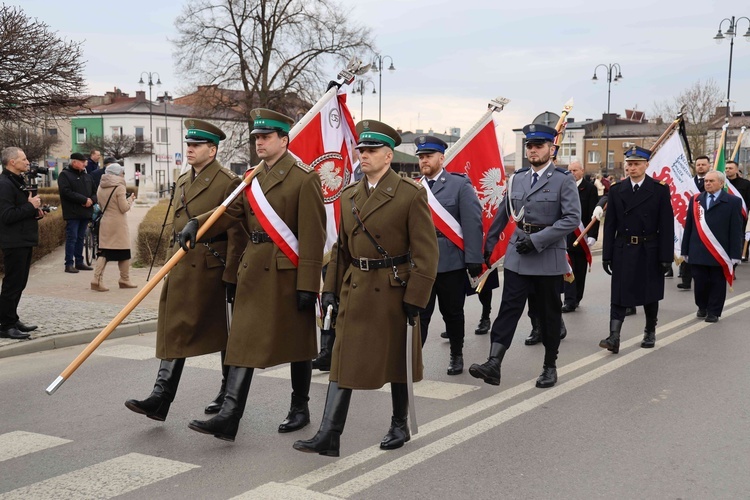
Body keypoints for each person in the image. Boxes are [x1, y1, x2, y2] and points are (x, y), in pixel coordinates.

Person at [293, 119, 438, 457]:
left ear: (388, 156)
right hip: (355, 287)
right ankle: (329, 433)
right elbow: (341, 249)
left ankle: (399, 423)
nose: (364, 155)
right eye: (362, 150)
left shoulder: (410, 194)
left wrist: (416, 298)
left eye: (371, 150)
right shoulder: (349, 195)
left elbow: (426, 254)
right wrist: (329, 289)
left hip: (392, 290)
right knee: (342, 359)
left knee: (396, 360)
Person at [183, 109, 326, 442]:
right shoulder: (251, 177)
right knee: (242, 342)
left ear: (283, 140)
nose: (259, 143)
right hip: (253, 269)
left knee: (298, 345)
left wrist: (309, 283)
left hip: (285, 272)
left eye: (266, 137)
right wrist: (198, 224)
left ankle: (300, 407)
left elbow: (313, 235)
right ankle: (230, 416)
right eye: (256, 138)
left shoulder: (304, 178)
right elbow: (230, 212)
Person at [124, 119, 242, 425]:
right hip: (181, 264)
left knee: (223, 334)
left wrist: (231, 273)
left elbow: (237, 230)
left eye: (196, 145)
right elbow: (176, 225)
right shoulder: (183, 179)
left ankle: (227, 394)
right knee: (174, 327)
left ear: (212, 150)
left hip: (210, 266)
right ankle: (160, 397)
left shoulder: (227, 181)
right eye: (188, 144)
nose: (189, 149)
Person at [468, 124, 580, 389]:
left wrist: (538, 240)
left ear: (551, 149)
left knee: (548, 314)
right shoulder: (517, 178)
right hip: (519, 252)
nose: (533, 150)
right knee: (508, 309)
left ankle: (550, 366)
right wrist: (490, 242)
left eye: (539, 146)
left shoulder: (563, 180)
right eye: (529, 146)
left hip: (547, 254)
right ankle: (494, 363)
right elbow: (505, 212)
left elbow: (572, 219)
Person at [414, 134, 483, 376]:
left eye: (429, 156)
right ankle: (414, 360)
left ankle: (456, 353)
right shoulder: (413, 187)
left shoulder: (459, 185)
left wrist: (474, 257)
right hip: (421, 261)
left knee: (452, 312)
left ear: (441, 158)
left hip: (450, 260)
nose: (424, 161)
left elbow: (472, 222)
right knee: (419, 313)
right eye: (421, 157)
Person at [599, 146, 674, 353]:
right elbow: (610, 225)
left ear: (646, 165)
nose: (632, 168)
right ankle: (614, 336)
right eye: (629, 164)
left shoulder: (659, 189)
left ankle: (650, 330)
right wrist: (607, 255)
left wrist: (666, 256)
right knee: (619, 293)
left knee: (650, 293)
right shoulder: (616, 190)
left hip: (649, 248)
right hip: (623, 248)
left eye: (636, 164)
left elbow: (666, 225)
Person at [681, 170, 743, 323]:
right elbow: (688, 226)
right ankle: (702, 306)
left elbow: (736, 230)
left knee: (717, 282)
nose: (707, 183)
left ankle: (714, 311)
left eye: (711, 181)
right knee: (700, 282)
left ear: (721, 183)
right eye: (706, 181)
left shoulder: (733, 201)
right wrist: (685, 250)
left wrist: (735, 254)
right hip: (698, 249)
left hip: (719, 252)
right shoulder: (695, 200)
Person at [0, 147, 44, 340]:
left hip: (23, 239)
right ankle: (5, 325)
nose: (27, 162)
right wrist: (30, 206)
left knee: (19, 283)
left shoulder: (17, 181)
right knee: (12, 284)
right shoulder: (4, 184)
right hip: (13, 241)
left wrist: (35, 211)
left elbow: (21, 210)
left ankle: (12, 318)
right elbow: (7, 216)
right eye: (24, 159)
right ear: (12, 162)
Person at [90, 162, 137, 291]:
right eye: (122, 172)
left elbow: (100, 203)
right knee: (124, 250)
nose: (123, 174)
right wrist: (130, 200)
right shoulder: (119, 187)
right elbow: (123, 208)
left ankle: (96, 279)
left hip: (105, 221)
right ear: (118, 174)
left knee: (105, 250)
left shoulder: (101, 185)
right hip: (118, 223)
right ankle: (124, 279)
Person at [562, 159, 599, 312]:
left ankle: (577, 297)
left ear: (582, 171)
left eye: (575, 170)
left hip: (582, 236)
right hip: (566, 236)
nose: (572, 173)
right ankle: (569, 300)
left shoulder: (589, 189)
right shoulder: (564, 187)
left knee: (580, 270)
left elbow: (594, 214)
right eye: (569, 171)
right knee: (568, 267)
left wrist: (592, 235)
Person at [57, 152, 97, 273]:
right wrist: (84, 200)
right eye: (82, 161)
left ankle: (79, 262)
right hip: (73, 213)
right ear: (74, 162)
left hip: (85, 212)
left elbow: (95, 192)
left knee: (81, 238)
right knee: (72, 237)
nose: (85, 164)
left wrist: (91, 200)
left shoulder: (87, 176)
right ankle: (69, 264)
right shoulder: (65, 175)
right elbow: (66, 192)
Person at [678, 155, 709, 290]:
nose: (700, 167)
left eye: (703, 164)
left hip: (706, 220)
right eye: (698, 165)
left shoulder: (712, 182)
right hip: (690, 219)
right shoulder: (688, 182)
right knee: (687, 248)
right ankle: (686, 279)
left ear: (708, 166)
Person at [724, 160, 750, 261]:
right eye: (726, 168)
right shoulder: (722, 183)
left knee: (741, 234)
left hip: (741, 214)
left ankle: (743, 253)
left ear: (736, 170)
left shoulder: (746, 184)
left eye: (730, 168)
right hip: (725, 213)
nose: (727, 170)